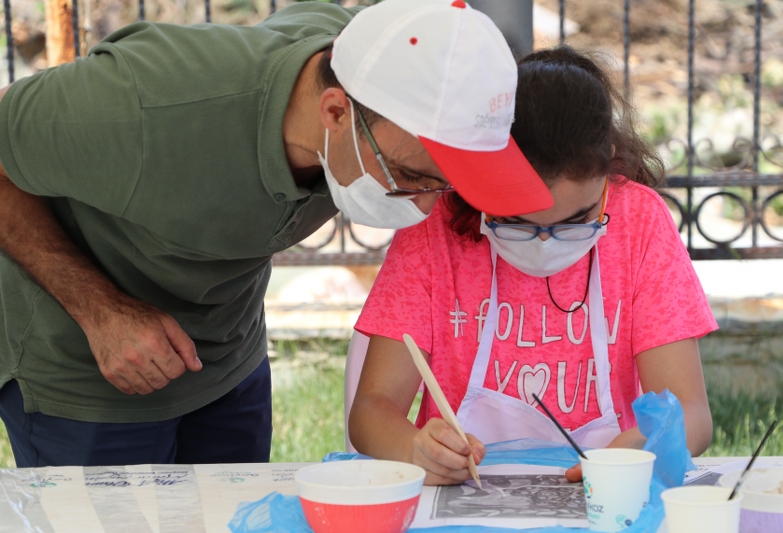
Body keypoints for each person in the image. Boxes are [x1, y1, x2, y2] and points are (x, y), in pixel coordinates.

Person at [0, 0, 554, 467]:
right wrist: (100, 310)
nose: (429, 206)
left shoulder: (368, 64)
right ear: (335, 112)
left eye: (448, 184)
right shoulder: (145, 105)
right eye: (410, 177)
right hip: (85, 363)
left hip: (225, 351)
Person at [349, 46, 716, 486]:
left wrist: (645, 446)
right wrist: (413, 448)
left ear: (609, 164)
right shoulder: (434, 226)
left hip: (604, 491)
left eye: (578, 220)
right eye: (513, 221)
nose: (545, 243)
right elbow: (371, 411)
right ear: (481, 177)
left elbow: (691, 413)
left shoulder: (640, 222)